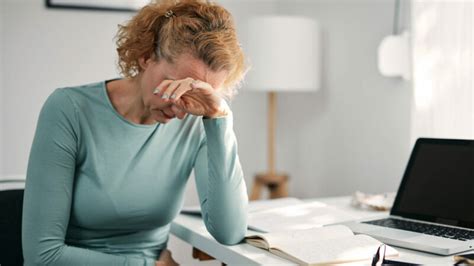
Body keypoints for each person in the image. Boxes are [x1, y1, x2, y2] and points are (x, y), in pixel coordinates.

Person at [21, 0, 249, 265]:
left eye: (200, 94)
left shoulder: (199, 120)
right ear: (146, 57)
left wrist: (219, 117)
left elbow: (230, 232)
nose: (182, 109)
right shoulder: (68, 109)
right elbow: (42, 257)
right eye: (176, 88)